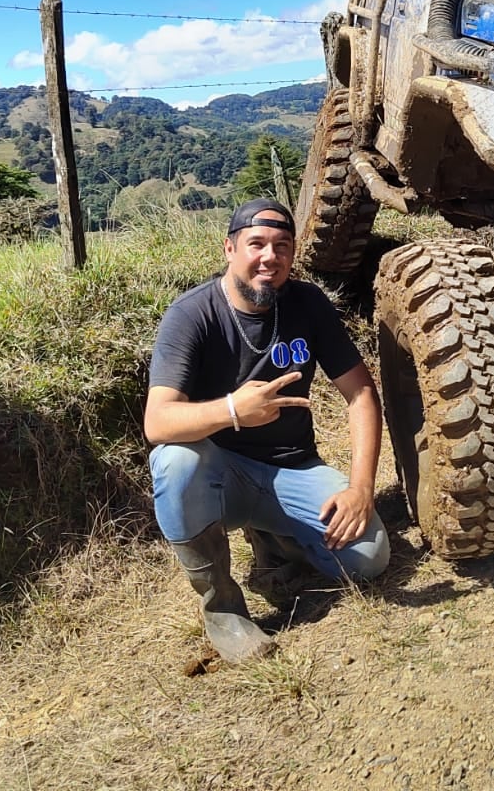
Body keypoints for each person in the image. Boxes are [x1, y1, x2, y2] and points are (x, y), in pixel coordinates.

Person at [144, 198, 389, 662]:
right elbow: (158, 421)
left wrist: (361, 489)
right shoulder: (192, 314)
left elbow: (360, 393)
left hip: (290, 469)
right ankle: (224, 612)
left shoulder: (308, 304)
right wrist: (235, 409)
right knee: (174, 459)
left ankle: (275, 543)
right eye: (256, 244)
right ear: (230, 248)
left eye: (282, 246)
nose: (269, 257)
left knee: (368, 557)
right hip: (219, 479)